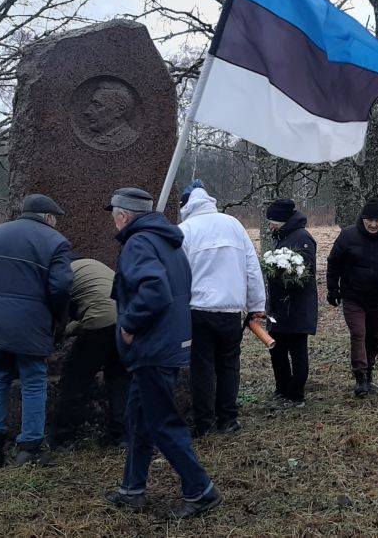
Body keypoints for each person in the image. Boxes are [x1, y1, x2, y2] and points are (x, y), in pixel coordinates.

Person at [105, 187, 222, 519]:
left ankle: (201, 491)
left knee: (163, 422)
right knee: (140, 419)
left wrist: (129, 324)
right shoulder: (168, 242)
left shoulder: (138, 243)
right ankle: (132, 490)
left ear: (123, 216)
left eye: (114, 216)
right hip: (169, 342)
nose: (114, 222)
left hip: (151, 347)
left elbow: (155, 291)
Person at [0, 193, 74, 466]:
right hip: (31, 323)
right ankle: (29, 448)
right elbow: (60, 287)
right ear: (48, 217)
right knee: (33, 381)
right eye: (55, 219)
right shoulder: (56, 242)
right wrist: (58, 319)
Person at [177, 180, 266, 435]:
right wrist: (256, 306)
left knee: (201, 367)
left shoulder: (185, 230)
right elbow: (252, 267)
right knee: (229, 363)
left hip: (198, 310)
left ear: (186, 206)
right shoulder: (233, 225)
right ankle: (228, 419)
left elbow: (179, 273)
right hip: (230, 310)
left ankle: (204, 422)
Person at [326, 197, 378, 397]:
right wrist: (332, 289)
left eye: (377, 220)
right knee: (358, 333)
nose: (373, 224)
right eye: (369, 220)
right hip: (353, 296)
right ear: (362, 218)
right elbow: (334, 262)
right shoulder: (348, 236)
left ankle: (369, 370)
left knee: (373, 338)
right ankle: (361, 377)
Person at [49, 258, 129, 449]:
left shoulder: (62, 274)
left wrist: (55, 338)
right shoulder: (92, 266)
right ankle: (122, 436)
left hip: (100, 322)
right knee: (119, 379)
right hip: (125, 322)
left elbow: (62, 310)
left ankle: (62, 438)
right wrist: (71, 329)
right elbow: (94, 304)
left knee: (74, 378)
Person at [264, 199, 318, 407]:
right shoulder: (284, 236)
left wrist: (281, 276)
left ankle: (296, 395)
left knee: (297, 351)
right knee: (277, 350)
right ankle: (282, 389)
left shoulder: (302, 238)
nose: (270, 225)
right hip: (281, 307)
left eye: (272, 221)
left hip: (296, 307)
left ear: (283, 221)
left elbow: (305, 273)